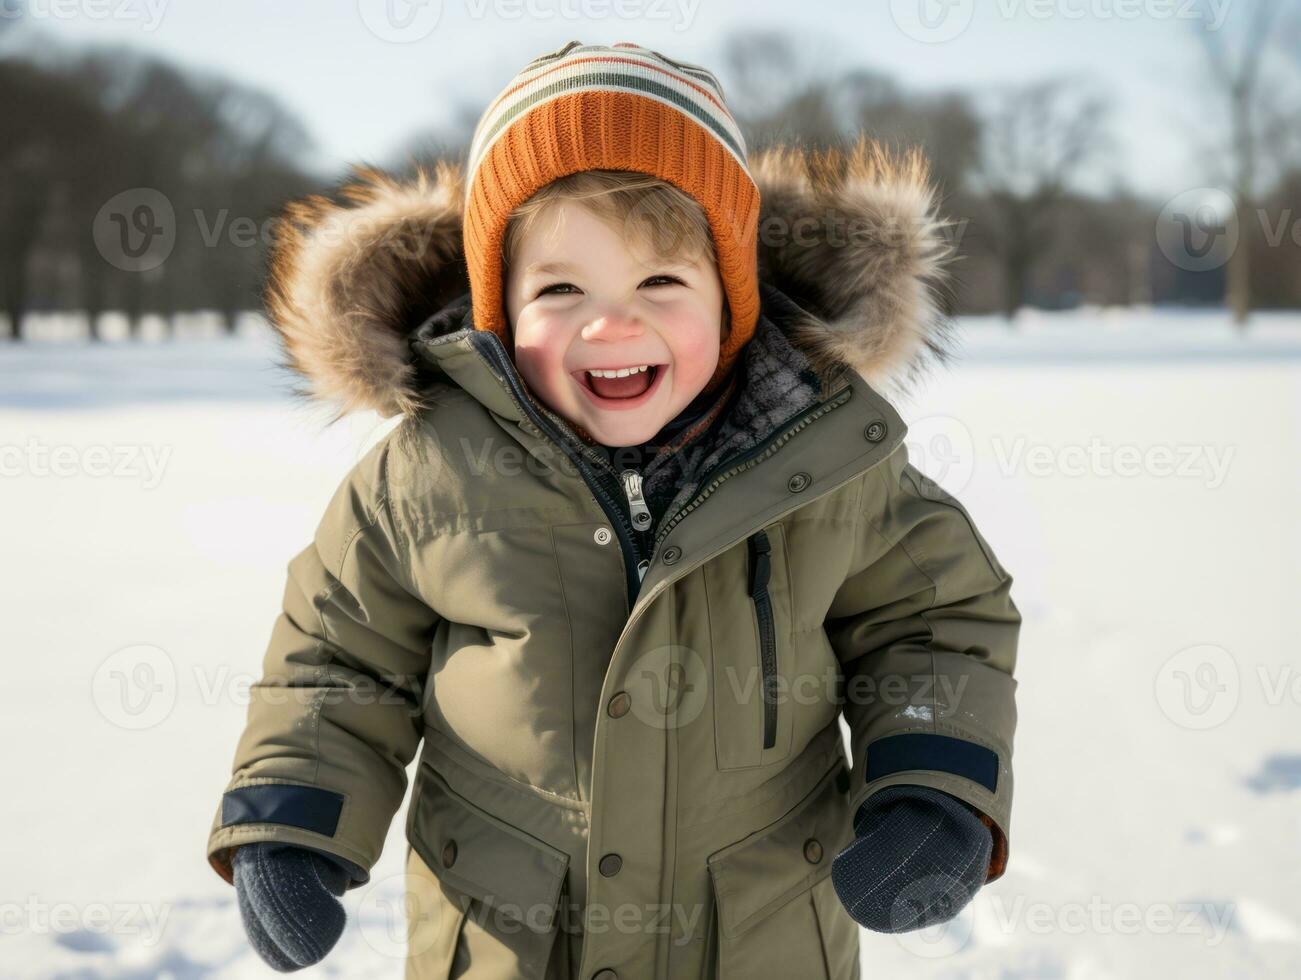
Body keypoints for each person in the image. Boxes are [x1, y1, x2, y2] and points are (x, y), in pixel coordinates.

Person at [204, 40, 1021, 979]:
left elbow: (935, 619)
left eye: (660, 282)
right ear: (498, 308)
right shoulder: (427, 475)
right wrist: (291, 823)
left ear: (732, 296)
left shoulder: (828, 463)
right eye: (560, 289)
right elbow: (338, 661)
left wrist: (933, 786)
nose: (611, 323)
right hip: (509, 942)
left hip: (756, 940)